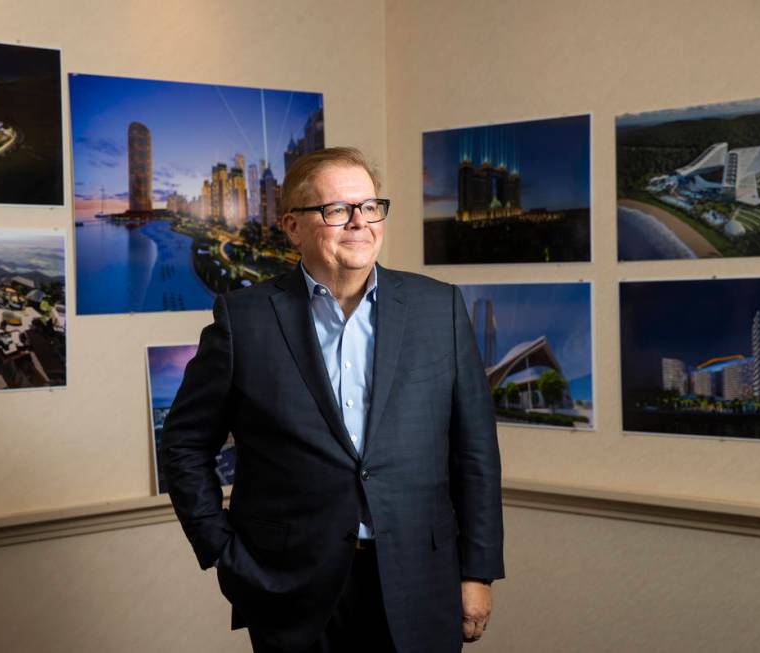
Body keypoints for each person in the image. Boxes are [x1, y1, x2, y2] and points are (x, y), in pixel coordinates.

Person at [160, 147, 503, 653]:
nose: (358, 223)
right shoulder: (244, 320)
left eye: (369, 207)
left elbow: (475, 452)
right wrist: (222, 550)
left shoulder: (439, 308)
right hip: (290, 588)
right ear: (293, 227)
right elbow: (183, 446)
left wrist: (478, 572)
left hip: (422, 581)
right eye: (336, 210)